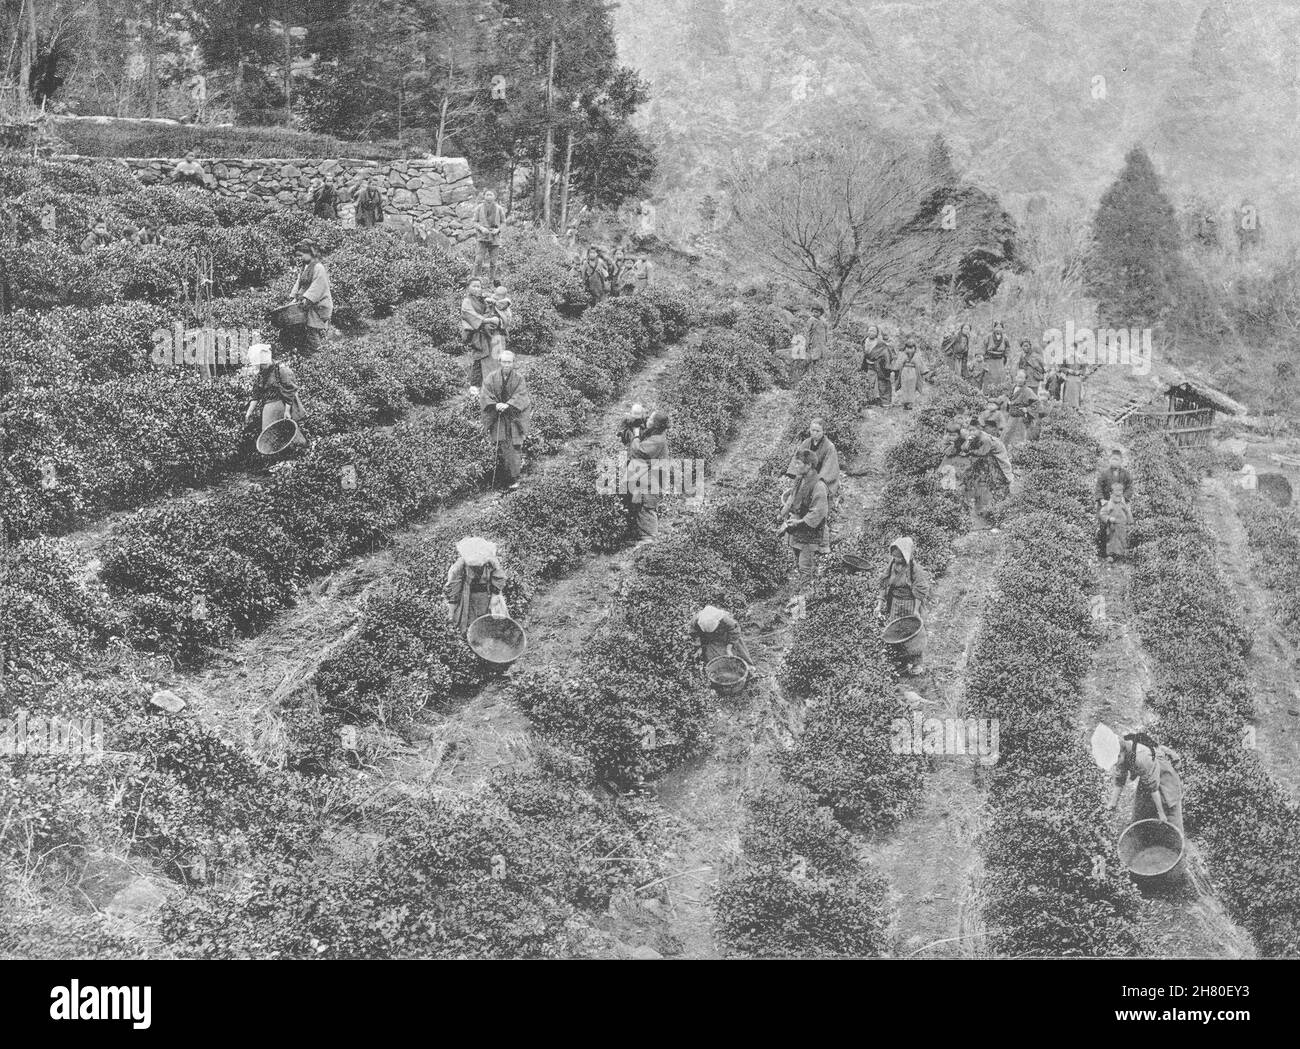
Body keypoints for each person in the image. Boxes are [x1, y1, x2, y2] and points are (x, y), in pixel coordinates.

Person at [1107, 731, 1184, 845]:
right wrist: (1112, 803)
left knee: (1170, 813)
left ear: (1121, 753)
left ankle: (1176, 846)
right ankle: (1144, 843)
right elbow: (1120, 779)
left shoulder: (1141, 757)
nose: (1115, 763)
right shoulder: (1120, 754)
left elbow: (1153, 788)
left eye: (1116, 759)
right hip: (1147, 777)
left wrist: (1161, 813)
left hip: (1164, 777)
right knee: (1140, 813)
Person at [875, 537, 932, 676]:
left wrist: (915, 611)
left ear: (906, 555)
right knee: (896, 632)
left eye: (899, 557)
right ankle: (902, 662)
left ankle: (917, 663)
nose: (896, 559)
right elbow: (883, 582)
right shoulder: (892, 565)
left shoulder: (914, 570)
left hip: (909, 603)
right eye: (894, 556)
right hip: (895, 603)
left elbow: (920, 590)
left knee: (912, 634)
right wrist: (879, 604)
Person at [788, 417, 840, 555]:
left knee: (819, 513)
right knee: (802, 511)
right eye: (812, 430)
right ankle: (802, 542)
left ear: (823, 431)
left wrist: (820, 483)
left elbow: (830, 467)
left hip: (820, 483)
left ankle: (823, 545)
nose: (814, 433)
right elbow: (798, 460)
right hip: (807, 480)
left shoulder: (829, 447)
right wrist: (799, 479)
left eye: (818, 430)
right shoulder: (806, 443)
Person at [480, 350, 530, 491]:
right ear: (500, 362)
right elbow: (485, 394)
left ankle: (514, 479)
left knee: (514, 447)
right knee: (500, 445)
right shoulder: (491, 377)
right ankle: (502, 480)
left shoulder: (519, 378)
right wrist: (496, 405)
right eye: (504, 362)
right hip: (498, 417)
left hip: (513, 417)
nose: (507, 364)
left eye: (510, 362)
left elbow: (522, 395)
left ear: (514, 363)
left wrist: (508, 404)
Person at [779, 448, 829, 587]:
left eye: (798, 463)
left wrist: (799, 522)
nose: (795, 466)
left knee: (805, 565)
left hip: (810, 530)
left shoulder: (819, 485)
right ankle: (803, 589)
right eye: (795, 463)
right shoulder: (800, 479)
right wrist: (782, 513)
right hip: (797, 527)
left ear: (809, 465)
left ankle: (805, 596)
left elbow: (818, 512)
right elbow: (792, 498)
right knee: (797, 557)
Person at [243, 343, 308, 449]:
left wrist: (287, 411)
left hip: (281, 405)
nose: (261, 367)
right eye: (260, 365)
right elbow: (256, 394)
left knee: (288, 431)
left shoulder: (281, 370)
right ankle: (281, 459)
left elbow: (290, 391)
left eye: (263, 364)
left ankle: (299, 452)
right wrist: (249, 412)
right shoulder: (261, 375)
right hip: (268, 408)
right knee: (270, 436)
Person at [445, 537, 507, 634]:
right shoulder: (459, 566)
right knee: (469, 622)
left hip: (487, 596)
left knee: (490, 621)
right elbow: (453, 587)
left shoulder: (491, 562)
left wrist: (495, 597)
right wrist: (451, 610)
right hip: (468, 598)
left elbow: (499, 578)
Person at [626, 409, 669, 544]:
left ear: (655, 424)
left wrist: (637, 435)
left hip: (653, 479)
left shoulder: (657, 440)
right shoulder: (656, 434)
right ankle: (643, 537)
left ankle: (650, 539)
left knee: (647, 506)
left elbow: (637, 452)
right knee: (640, 504)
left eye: (650, 419)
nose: (647, 420)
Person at [287, 241, 333, 355]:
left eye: (301, 255)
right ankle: (309, 354)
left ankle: (319, 355)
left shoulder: (318, 267)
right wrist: (294, 298)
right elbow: (299, 283)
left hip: (318, 305)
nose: (300, 258)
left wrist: (306, 298)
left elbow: (318, 286)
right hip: (307, 304)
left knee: (314, 330)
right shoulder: (305, 267)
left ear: (309, 253)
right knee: (306, 330)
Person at [959, 420, 1013, 514]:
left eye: (973, 430)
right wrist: (968, 441)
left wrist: (971, 451)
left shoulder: (985, 439)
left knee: (999, 475)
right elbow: (963, 448)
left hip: (996, 455)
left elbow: (982, 452)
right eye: (970, 430)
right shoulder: (972, 437)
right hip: (986, 456)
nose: (971, 432)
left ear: (979, 429)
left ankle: (1000, 502)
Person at [460, 277, 500, 392]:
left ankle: (487, 383)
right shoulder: (467, 301)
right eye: (474, 286)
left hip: (484, 332)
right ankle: (474, 385)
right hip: (475, 333)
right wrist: (489, 320)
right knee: (478, 357)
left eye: (479, 286)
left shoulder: (482, 299)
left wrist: (491, 305)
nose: (477, 289)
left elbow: (488, 310)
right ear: (468, 287)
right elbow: (471, 315)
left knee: (488, 357)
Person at [690, 604, 756, 670]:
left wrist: (729, 648)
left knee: (738, 647)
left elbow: (735, 631)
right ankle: (722, 668)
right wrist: (699, 647)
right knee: (711, 655)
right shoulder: (696, 621)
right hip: (710, 639)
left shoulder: (724, 619)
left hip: (726, 635)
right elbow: (695, 635)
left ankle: (748, 665)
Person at [1094, 449, 1134, 557]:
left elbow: (1130, 487)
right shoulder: (1104, 474)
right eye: (1112, 459)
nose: (1114, 461)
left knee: (1119, 527)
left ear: (1121, 461)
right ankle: (1103, 551)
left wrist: (1124, 498)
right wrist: (1101, 499)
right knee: (1105, 527)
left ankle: (1119, 552)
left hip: (1119, 503)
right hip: (1107, 504)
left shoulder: (1125, 474)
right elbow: (1098, 487)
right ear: (1109, 460)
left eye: (1117, 459)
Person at [472, 189, 505, 285]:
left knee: (494, 261)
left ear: (495, 197)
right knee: (478, 260)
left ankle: (491, 280)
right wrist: (482, 228)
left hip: (495, 238)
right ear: (484, 196)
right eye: (487, 194)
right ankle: (475, 279)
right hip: (482, 237)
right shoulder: (479, 208)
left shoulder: (499, 209)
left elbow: (503, 222)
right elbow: (474, 222)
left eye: (491, 195)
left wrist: (498, 230)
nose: (489, 197)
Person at [861, 325, 894, 405]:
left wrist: (887, 365)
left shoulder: (880, 344)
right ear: (867, 332)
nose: (871, 332)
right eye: (870, 330)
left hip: (879, 366)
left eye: (873, 331)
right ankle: (868, 400)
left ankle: (886, 402)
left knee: (883, 382)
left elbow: (887, 354)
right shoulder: (864, 341)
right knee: (869, 382)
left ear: (877, 333)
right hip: (868, 365)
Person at [1003, 370, 1037, 446]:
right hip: (1011, 417)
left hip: (1020, 419)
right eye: (1018, 377)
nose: (1020, 380)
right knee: (1006, 435)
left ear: (1025, 379)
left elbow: (1036, 403)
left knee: (1019, 439)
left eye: (1022, 378)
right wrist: (1008, 402)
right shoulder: (1013, 387)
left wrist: (1027, 409)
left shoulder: (1027, 391)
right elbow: (1008, 396)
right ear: (1015, 378)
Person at [1099, 488, 1135, 561]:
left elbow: (1128, 512)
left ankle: (1121, 555)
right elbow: (1102, 514)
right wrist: (1108, 518)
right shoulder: (1108, 504)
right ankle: (1110, 555)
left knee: (1122, 539)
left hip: (1121, 525)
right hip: (1111, 526)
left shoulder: (1122, 504)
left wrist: (1131, 522)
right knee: (1111, 540)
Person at [893, 336, 928, 410]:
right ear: (905, 348)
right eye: (908, 348)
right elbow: (898, 365)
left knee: (912, 388)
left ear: (914, 348)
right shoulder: (902, 355)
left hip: (913, 373)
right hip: (904, 373)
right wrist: (896, 370)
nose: (909, 350)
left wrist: (924, 372)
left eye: (911, 348)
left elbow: (921, 365)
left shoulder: (917, 356)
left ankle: (910, 403)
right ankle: (905, 403)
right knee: (904, 387)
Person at [487, 284, 514, 364]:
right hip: (496, 320)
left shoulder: (505, 302)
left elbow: (500, 306)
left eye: (498, 295)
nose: (495, 296)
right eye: (495, 293)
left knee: (499, 344)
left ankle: (499, 361)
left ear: (503, 296)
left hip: (503, 319)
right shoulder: (496, 297)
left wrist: (493, 301)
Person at [982, 320, 1012, 385]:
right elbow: (984, 346)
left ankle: (998, 390)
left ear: (1002, 328)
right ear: (994, 328)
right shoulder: (989, 336)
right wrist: (983, 356)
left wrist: (1006, 356)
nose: (998, 329)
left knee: (1000, 376)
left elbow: (1008, 347)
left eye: (1000, 327)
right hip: (990, 359)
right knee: (990, 376)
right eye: (997, 327)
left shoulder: (1005, 337)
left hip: (1000, 359)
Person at [805, 304, 829, 373]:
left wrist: (826, 339)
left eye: (817, 312)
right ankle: (812, 370)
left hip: (821, 340)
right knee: (814, 354)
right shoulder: (811, 320)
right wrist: (808, 341)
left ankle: (819, 369)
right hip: (814, 340)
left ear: (820, 313)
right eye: (814, 312)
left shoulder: (822, 320)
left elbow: (825, 330)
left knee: (822, 354)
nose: (815, 314)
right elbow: (808, 331)